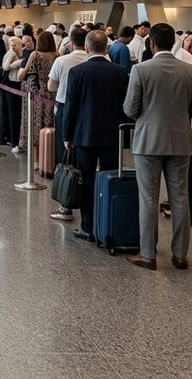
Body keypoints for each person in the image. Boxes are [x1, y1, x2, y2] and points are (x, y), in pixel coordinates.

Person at [122, 23, 192, 270]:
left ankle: (148, 254)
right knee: (180, 197)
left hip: (148, 142)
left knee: (148, 198)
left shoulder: (141, 70)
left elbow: (130, 109)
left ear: (151, 43)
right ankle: (180, 255)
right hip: (181, 141)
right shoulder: (190, 72)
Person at [60, 31, 130, 241]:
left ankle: (88, 226)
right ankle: (107, 223)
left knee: (87, 181)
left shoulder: (77, 72)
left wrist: (67, 135)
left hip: (84, 135)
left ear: (87, 48)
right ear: (107, 48)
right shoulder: (120, 72)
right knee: (110, 179)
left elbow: (70, 107)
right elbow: (126, 106)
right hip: (112, 136)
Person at [47, 27, 89, 222]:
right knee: (86, 159)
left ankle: (66, 206)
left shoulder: (62, 61)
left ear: (71, 42)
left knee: (66, 159)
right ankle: (90, 207)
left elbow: (51, 86)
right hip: (89, 112)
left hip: (65, 109)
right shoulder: (96, 60)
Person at [16, 31, 57, 154]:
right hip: (52, 94)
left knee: (35, 124)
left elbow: (23, 73)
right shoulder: (57, 55)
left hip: (37, 94)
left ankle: (35, 157)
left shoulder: (36, 55)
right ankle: (48, 153)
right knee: (49, 123)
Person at [0, 36, 24, 150]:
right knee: (12, 112)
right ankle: (13, 140)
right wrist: (19, 63)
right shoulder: (10, 54)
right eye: (11, 45)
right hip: (11, 84)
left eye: (15, 45)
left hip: (18, 84)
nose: (13, 47)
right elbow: (6, 66)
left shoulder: (21, 53)